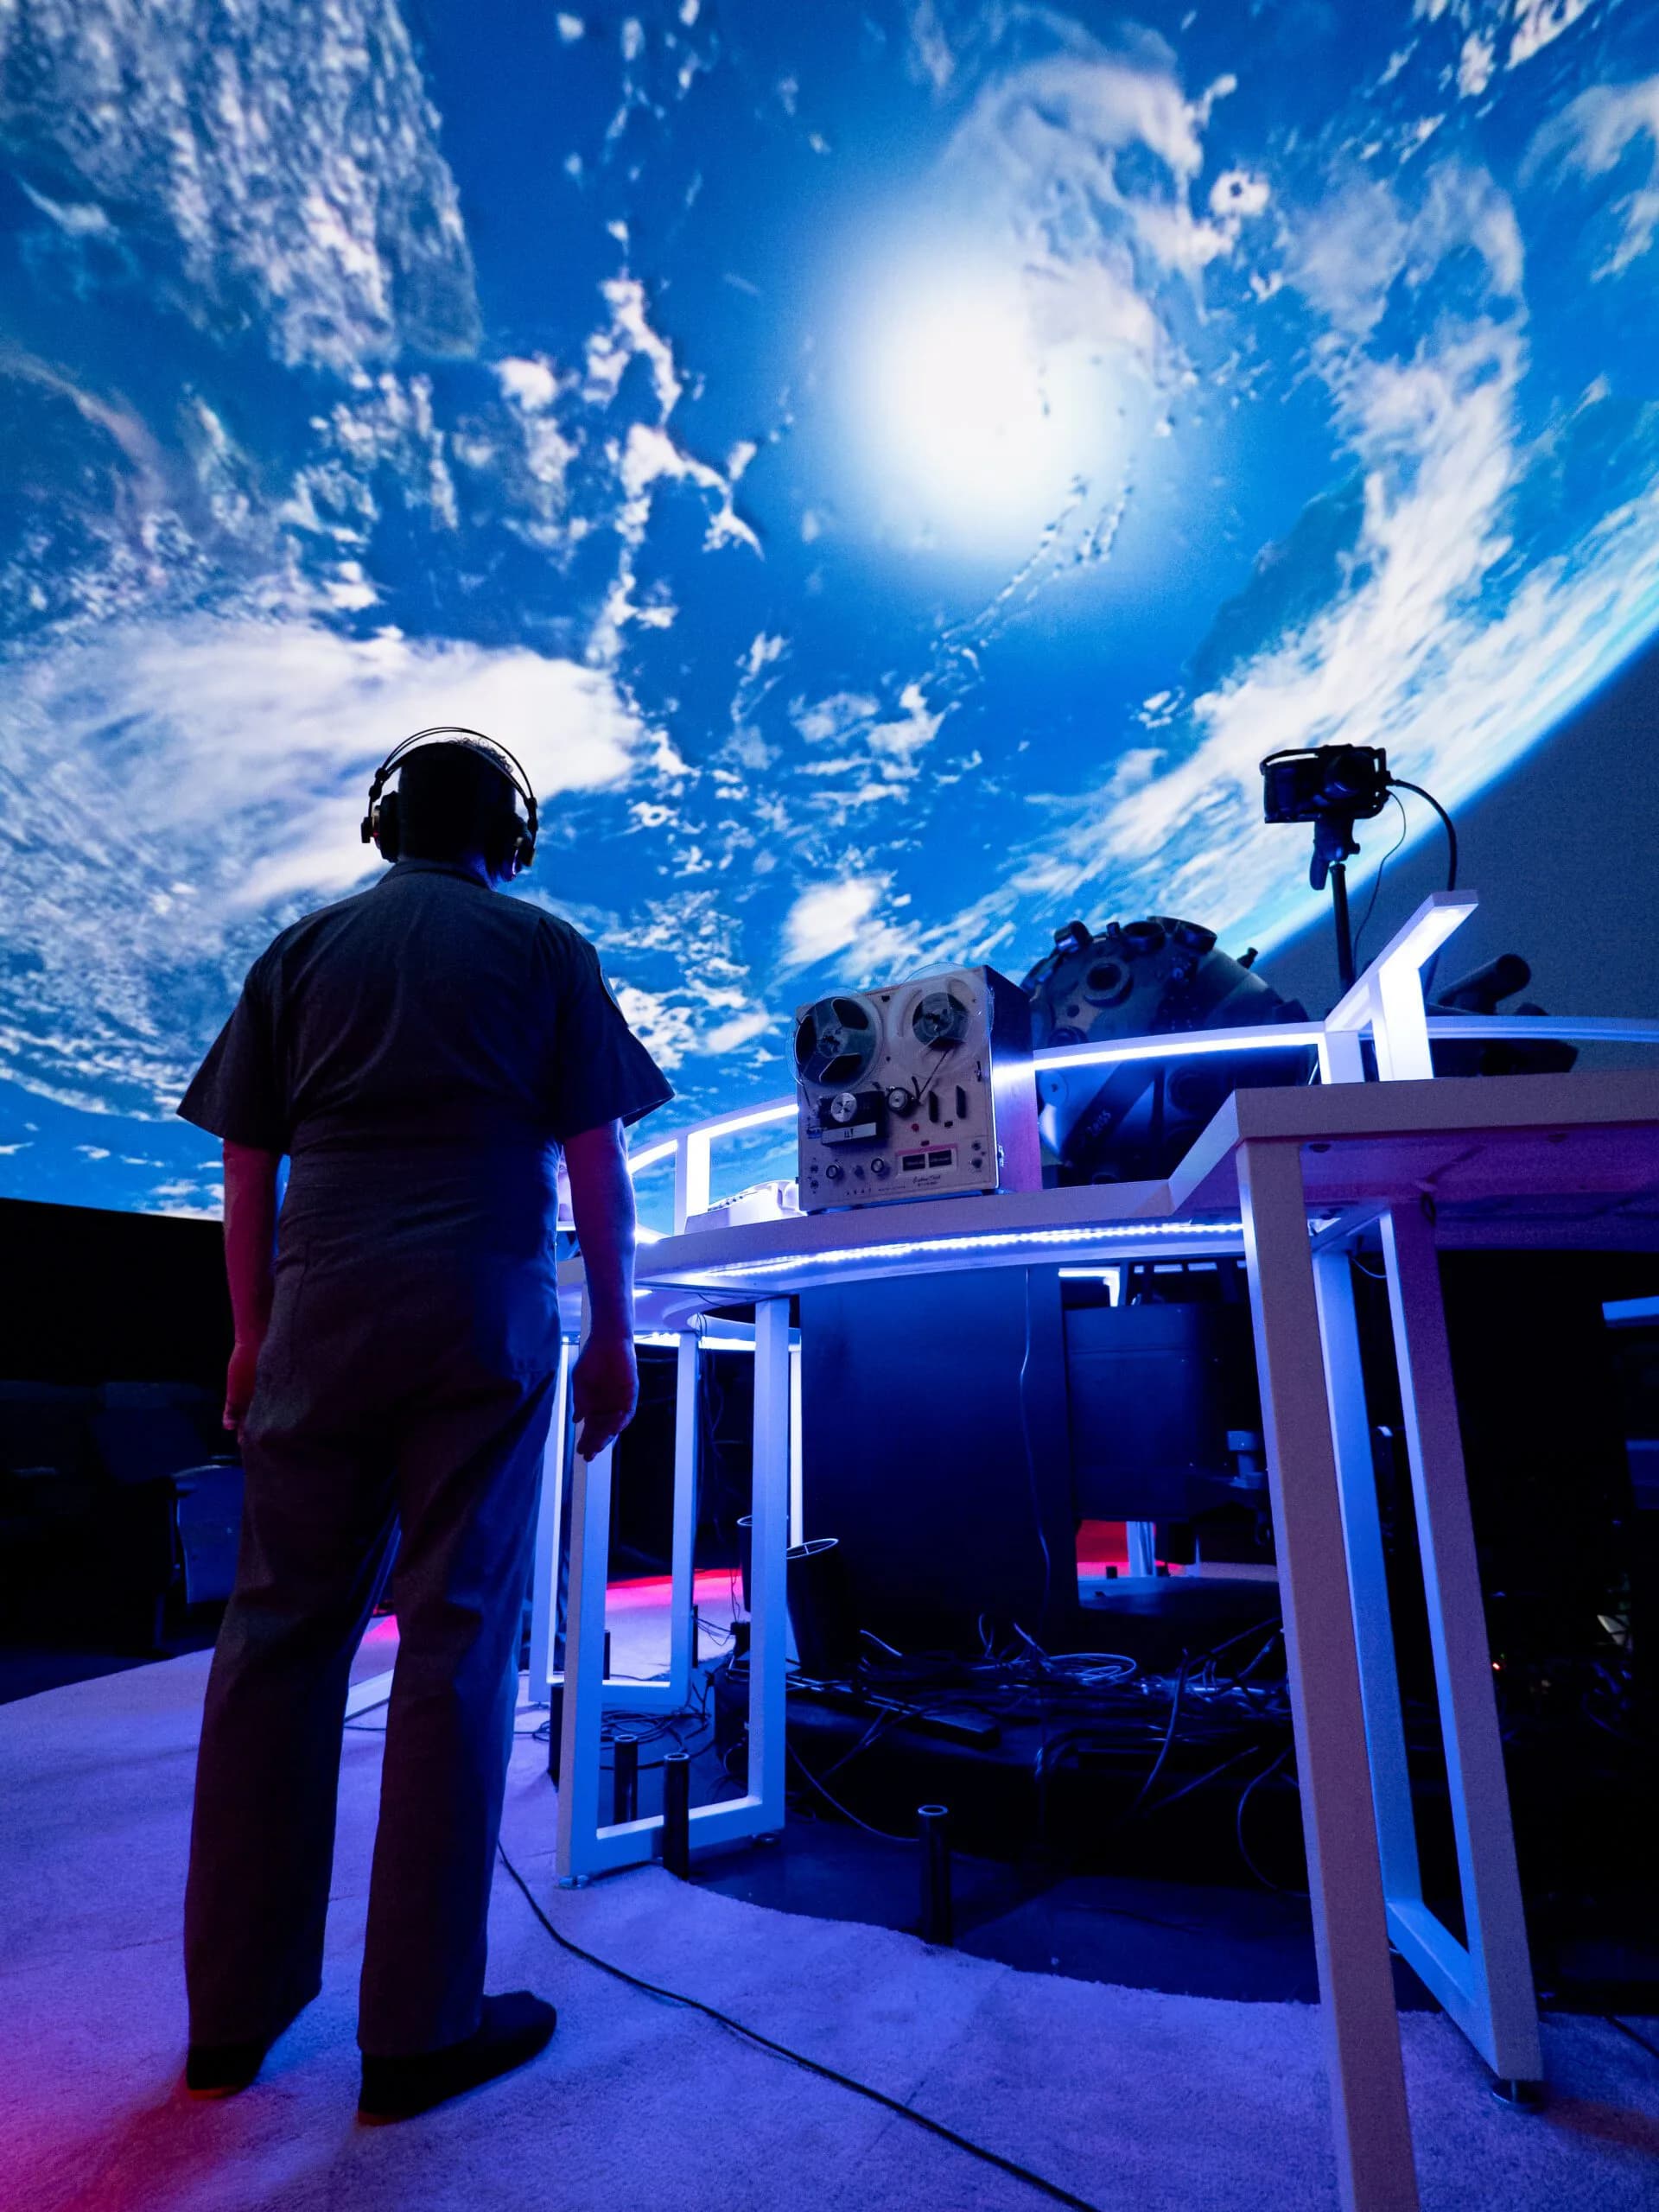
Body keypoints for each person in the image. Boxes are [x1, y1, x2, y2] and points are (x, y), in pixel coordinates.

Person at [174, 730, 671, 2121]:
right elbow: (594, 1163)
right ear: (509, 836)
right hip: (480, 1316)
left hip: (320, 1311)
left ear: (382, 822)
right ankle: (417, 2031)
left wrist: (255, 1332)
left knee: (271, 1647)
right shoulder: (546, 949)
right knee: (456, 1646)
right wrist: (618, 1330)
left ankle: (231, 2022)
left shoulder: (299, 953)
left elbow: (247, 1167)